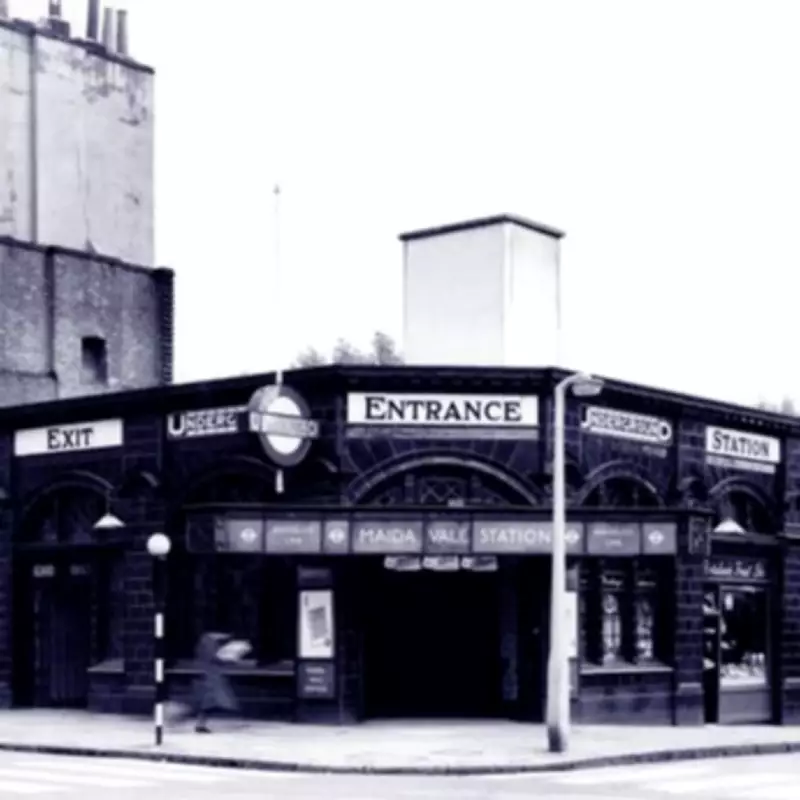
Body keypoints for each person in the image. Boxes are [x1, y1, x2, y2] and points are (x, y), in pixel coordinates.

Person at [184, 632, 241, 733]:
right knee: (205, 702)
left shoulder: (210, 641)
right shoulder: (208, 640)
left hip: (211, 676)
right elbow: (213, 658)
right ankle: (180, 715)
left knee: (206, 703)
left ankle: (199, 723)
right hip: (209, 677)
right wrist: (229, 659)